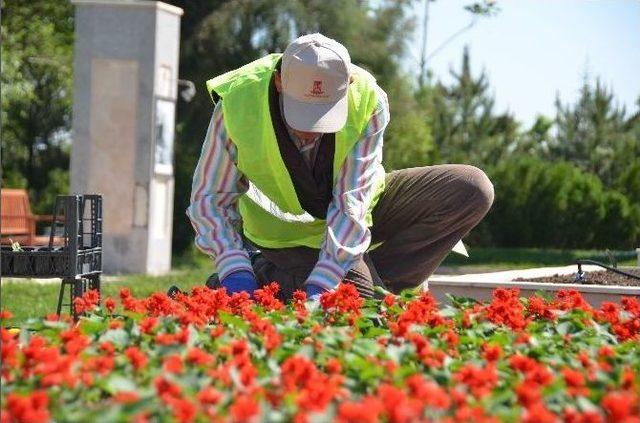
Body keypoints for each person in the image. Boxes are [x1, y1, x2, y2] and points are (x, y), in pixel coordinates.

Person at [185, 33, 494, 302]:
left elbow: (351, 201)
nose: (312, 129)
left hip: (358, 211)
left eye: (324, 113)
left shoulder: (368, 101)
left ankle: (313, 284)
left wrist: (324, 281)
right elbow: (209, 199)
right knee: (355, 297)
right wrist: (233, 268)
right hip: (287, 237)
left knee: (471, 188)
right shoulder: (238, 103)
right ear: (279, 82)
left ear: (348, 85)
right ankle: (264, 271)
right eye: (302, 112)